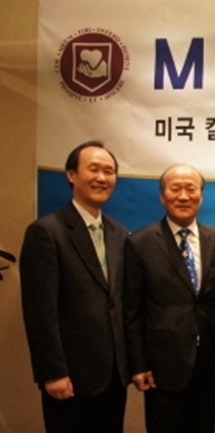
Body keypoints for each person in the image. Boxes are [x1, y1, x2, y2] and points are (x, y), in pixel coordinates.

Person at [20, 141, 129, 433]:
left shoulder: (119, 233)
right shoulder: (46, 232)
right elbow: (40, 312)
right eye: (94, 169)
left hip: (114, 376)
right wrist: (52, 372)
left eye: (109, 171)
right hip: (70, 376)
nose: (102, 178)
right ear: (71, 175)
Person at [123, 164, 215, 433]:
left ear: (201, 195)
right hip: (162, 364)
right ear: (162, 196)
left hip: (208, 360)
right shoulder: (140, 242)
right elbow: (132, 310)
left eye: (191, 189)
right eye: (175, 189)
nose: (184, 196)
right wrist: (138, 364)